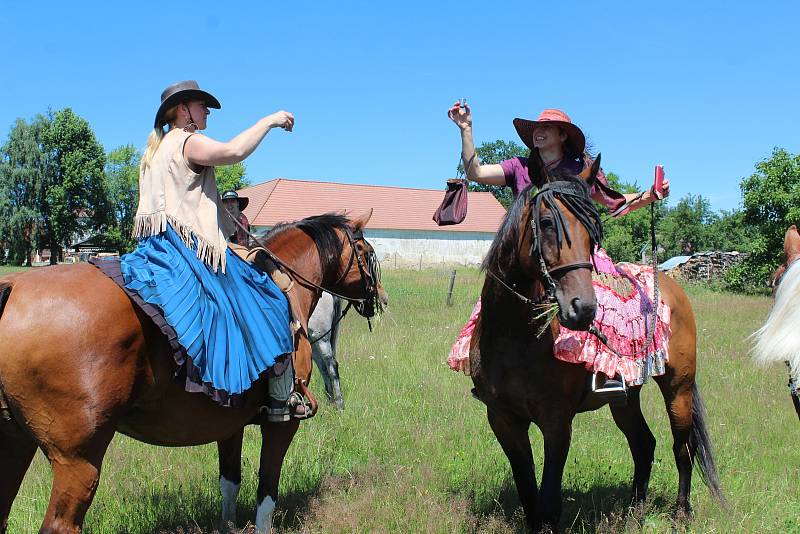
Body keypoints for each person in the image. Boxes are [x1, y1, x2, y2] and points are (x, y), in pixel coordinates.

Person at [445, 102, 671, 396]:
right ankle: (488, 373)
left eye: (546, 128)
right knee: (493, 301)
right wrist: (466, 129)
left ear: (563, 135)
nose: (538, 133)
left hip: (573, 255)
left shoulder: (581, 170)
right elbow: (475, 172)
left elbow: (615, 203)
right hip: (528, 258)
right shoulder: (520, 167)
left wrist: (649, 195)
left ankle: (608, 373)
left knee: (600, 300)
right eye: (536, 129)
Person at [121, 80, 304, 420]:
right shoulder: (187, 141)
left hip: (155, 247)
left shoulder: (153, 153)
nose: (207, 111)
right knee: (269, 298)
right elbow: (234, 152)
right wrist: (271, 120)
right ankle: (279, 401)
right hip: (187, 250)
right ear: (182, 111)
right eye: (201, 105)